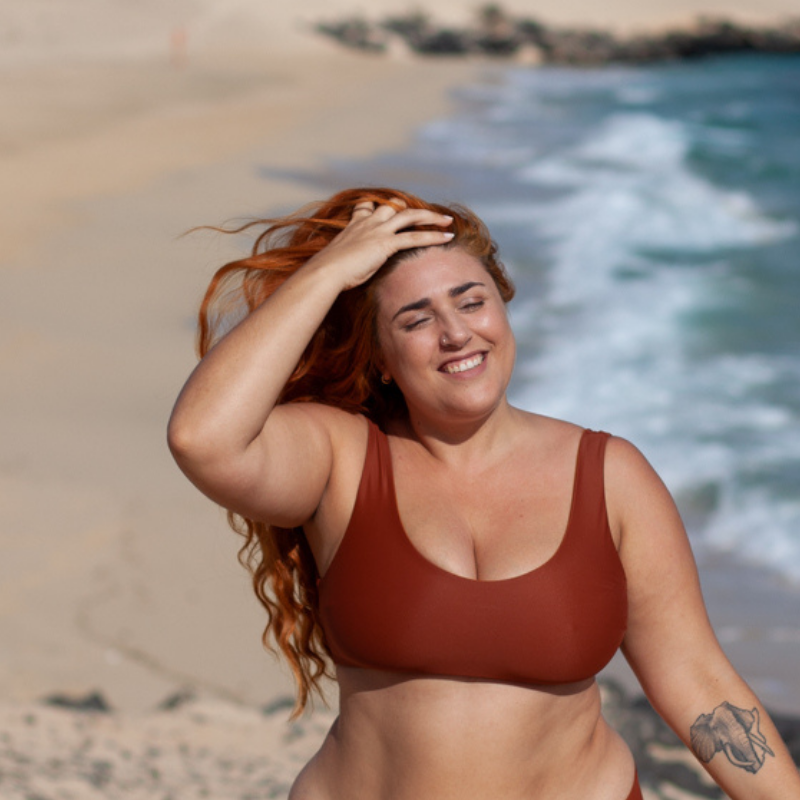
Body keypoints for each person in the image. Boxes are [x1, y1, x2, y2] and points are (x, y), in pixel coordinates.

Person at [168, 187, 800, 800]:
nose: (455, 333)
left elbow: (697, 682)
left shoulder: (609, 475)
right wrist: (331, 271)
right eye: (415, 319)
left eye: (472, 302)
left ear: (504, 308)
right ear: (381, 358)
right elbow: (203, 438)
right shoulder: (343, 460)